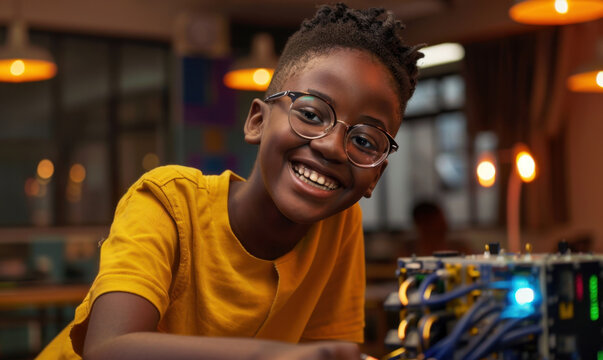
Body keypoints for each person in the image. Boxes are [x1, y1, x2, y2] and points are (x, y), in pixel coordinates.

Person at [37, 3, 422, 359]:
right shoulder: (168, 202)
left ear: (376, 175)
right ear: (257, 121)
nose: (333, 148)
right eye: (311, 114)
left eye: (363, 141)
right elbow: (108, 349)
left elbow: (326, 350)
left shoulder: (339, 225)